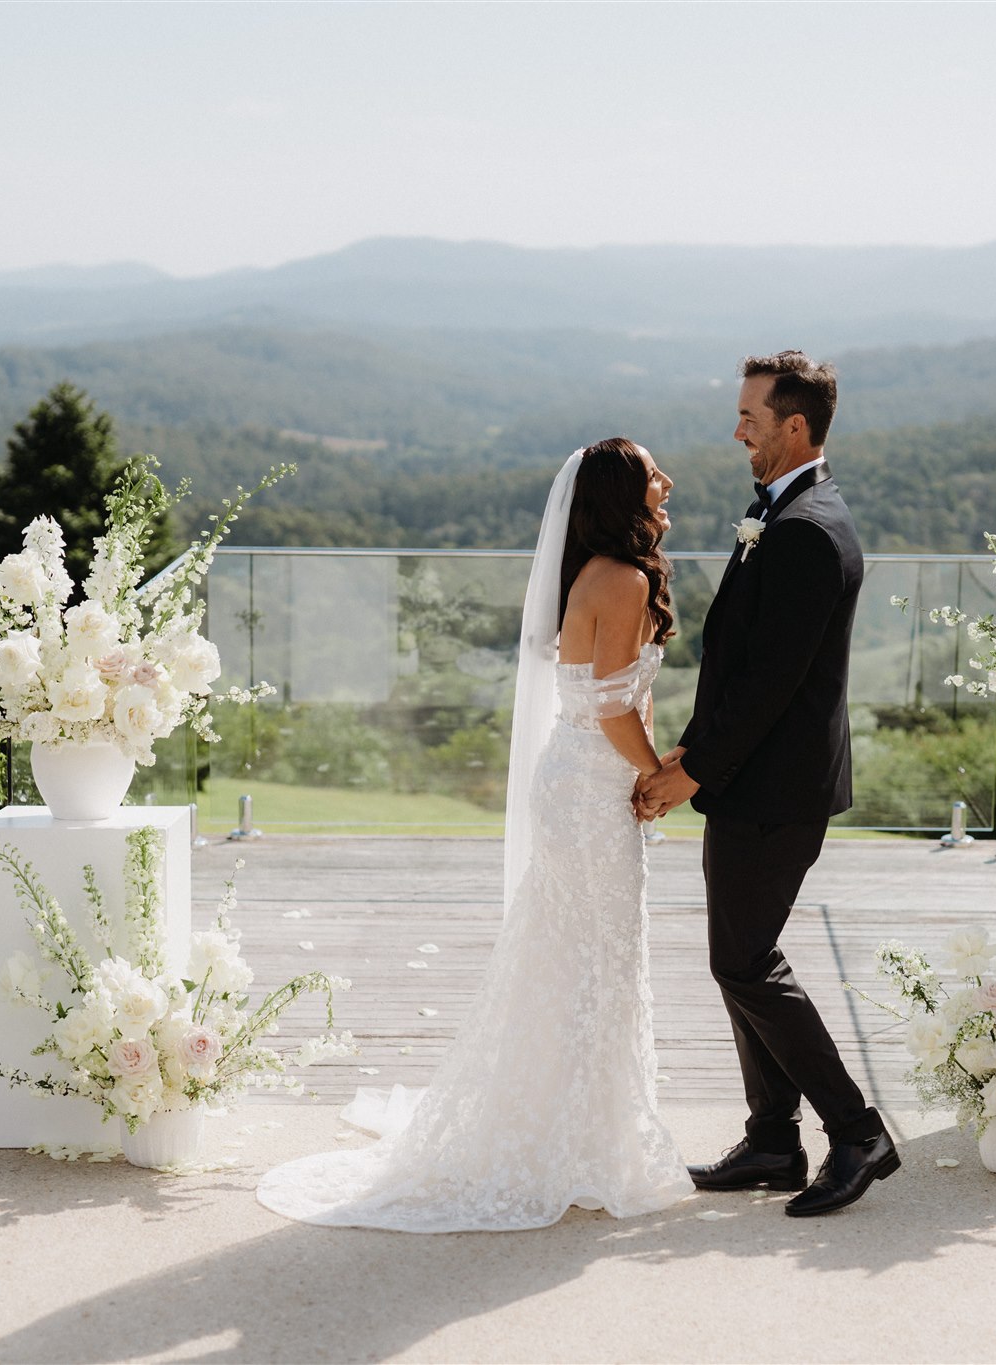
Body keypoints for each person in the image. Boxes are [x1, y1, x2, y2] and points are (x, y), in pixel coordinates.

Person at [257, 437, 694, 1232]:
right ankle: (584, 1142)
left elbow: (607, 693)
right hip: (595, 790)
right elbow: (611, 704)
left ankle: (566, 1127)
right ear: (620, 497)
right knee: (601, 962)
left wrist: (642, 767)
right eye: (652, 474)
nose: (668, 481)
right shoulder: (625, 578)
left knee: (565, 957)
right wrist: (654, 775)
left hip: (571, 782)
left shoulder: (595, 571)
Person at [636, 350, 899, 1218]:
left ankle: (856, 1130)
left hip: (775, 790)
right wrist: (687, 751)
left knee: (747, 961)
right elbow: (739, 669)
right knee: (736, 960)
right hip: (753, 780)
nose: (737, 428)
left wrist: (693, 772)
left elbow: (770, 688)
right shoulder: (786, 514)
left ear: (795, 426)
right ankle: (774, 1139)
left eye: (750, 414)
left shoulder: (806, 532)